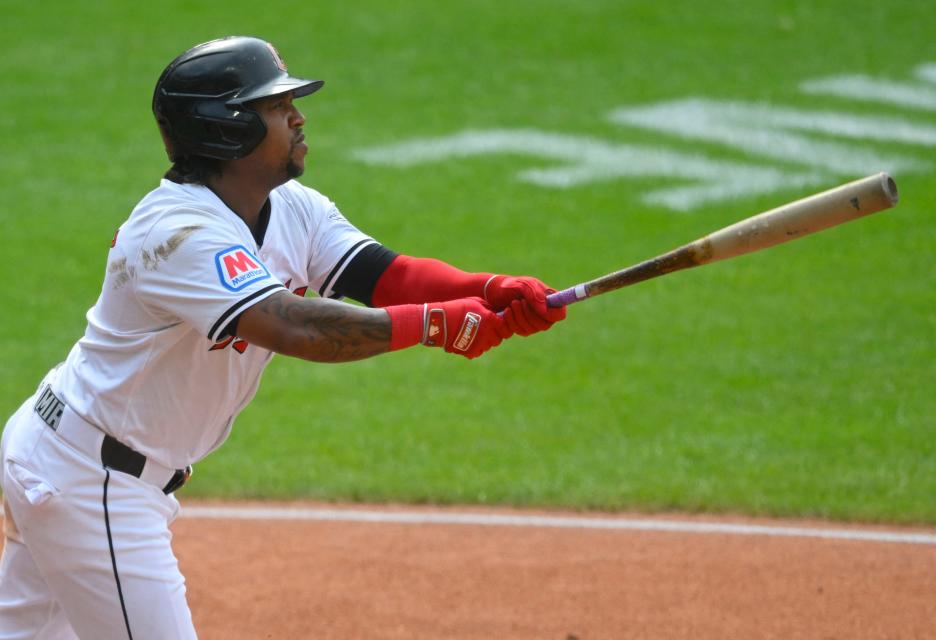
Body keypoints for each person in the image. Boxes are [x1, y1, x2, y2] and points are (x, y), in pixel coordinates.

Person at [0, 36, 565, 639]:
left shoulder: (291, 206)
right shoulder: (179, 233)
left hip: (71, 453)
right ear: (226, 128)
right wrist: (437, 324)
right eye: (275, 106)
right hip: (93, 482)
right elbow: (299, 327)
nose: (297, 116)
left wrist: (489, 288)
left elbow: (387, 276)